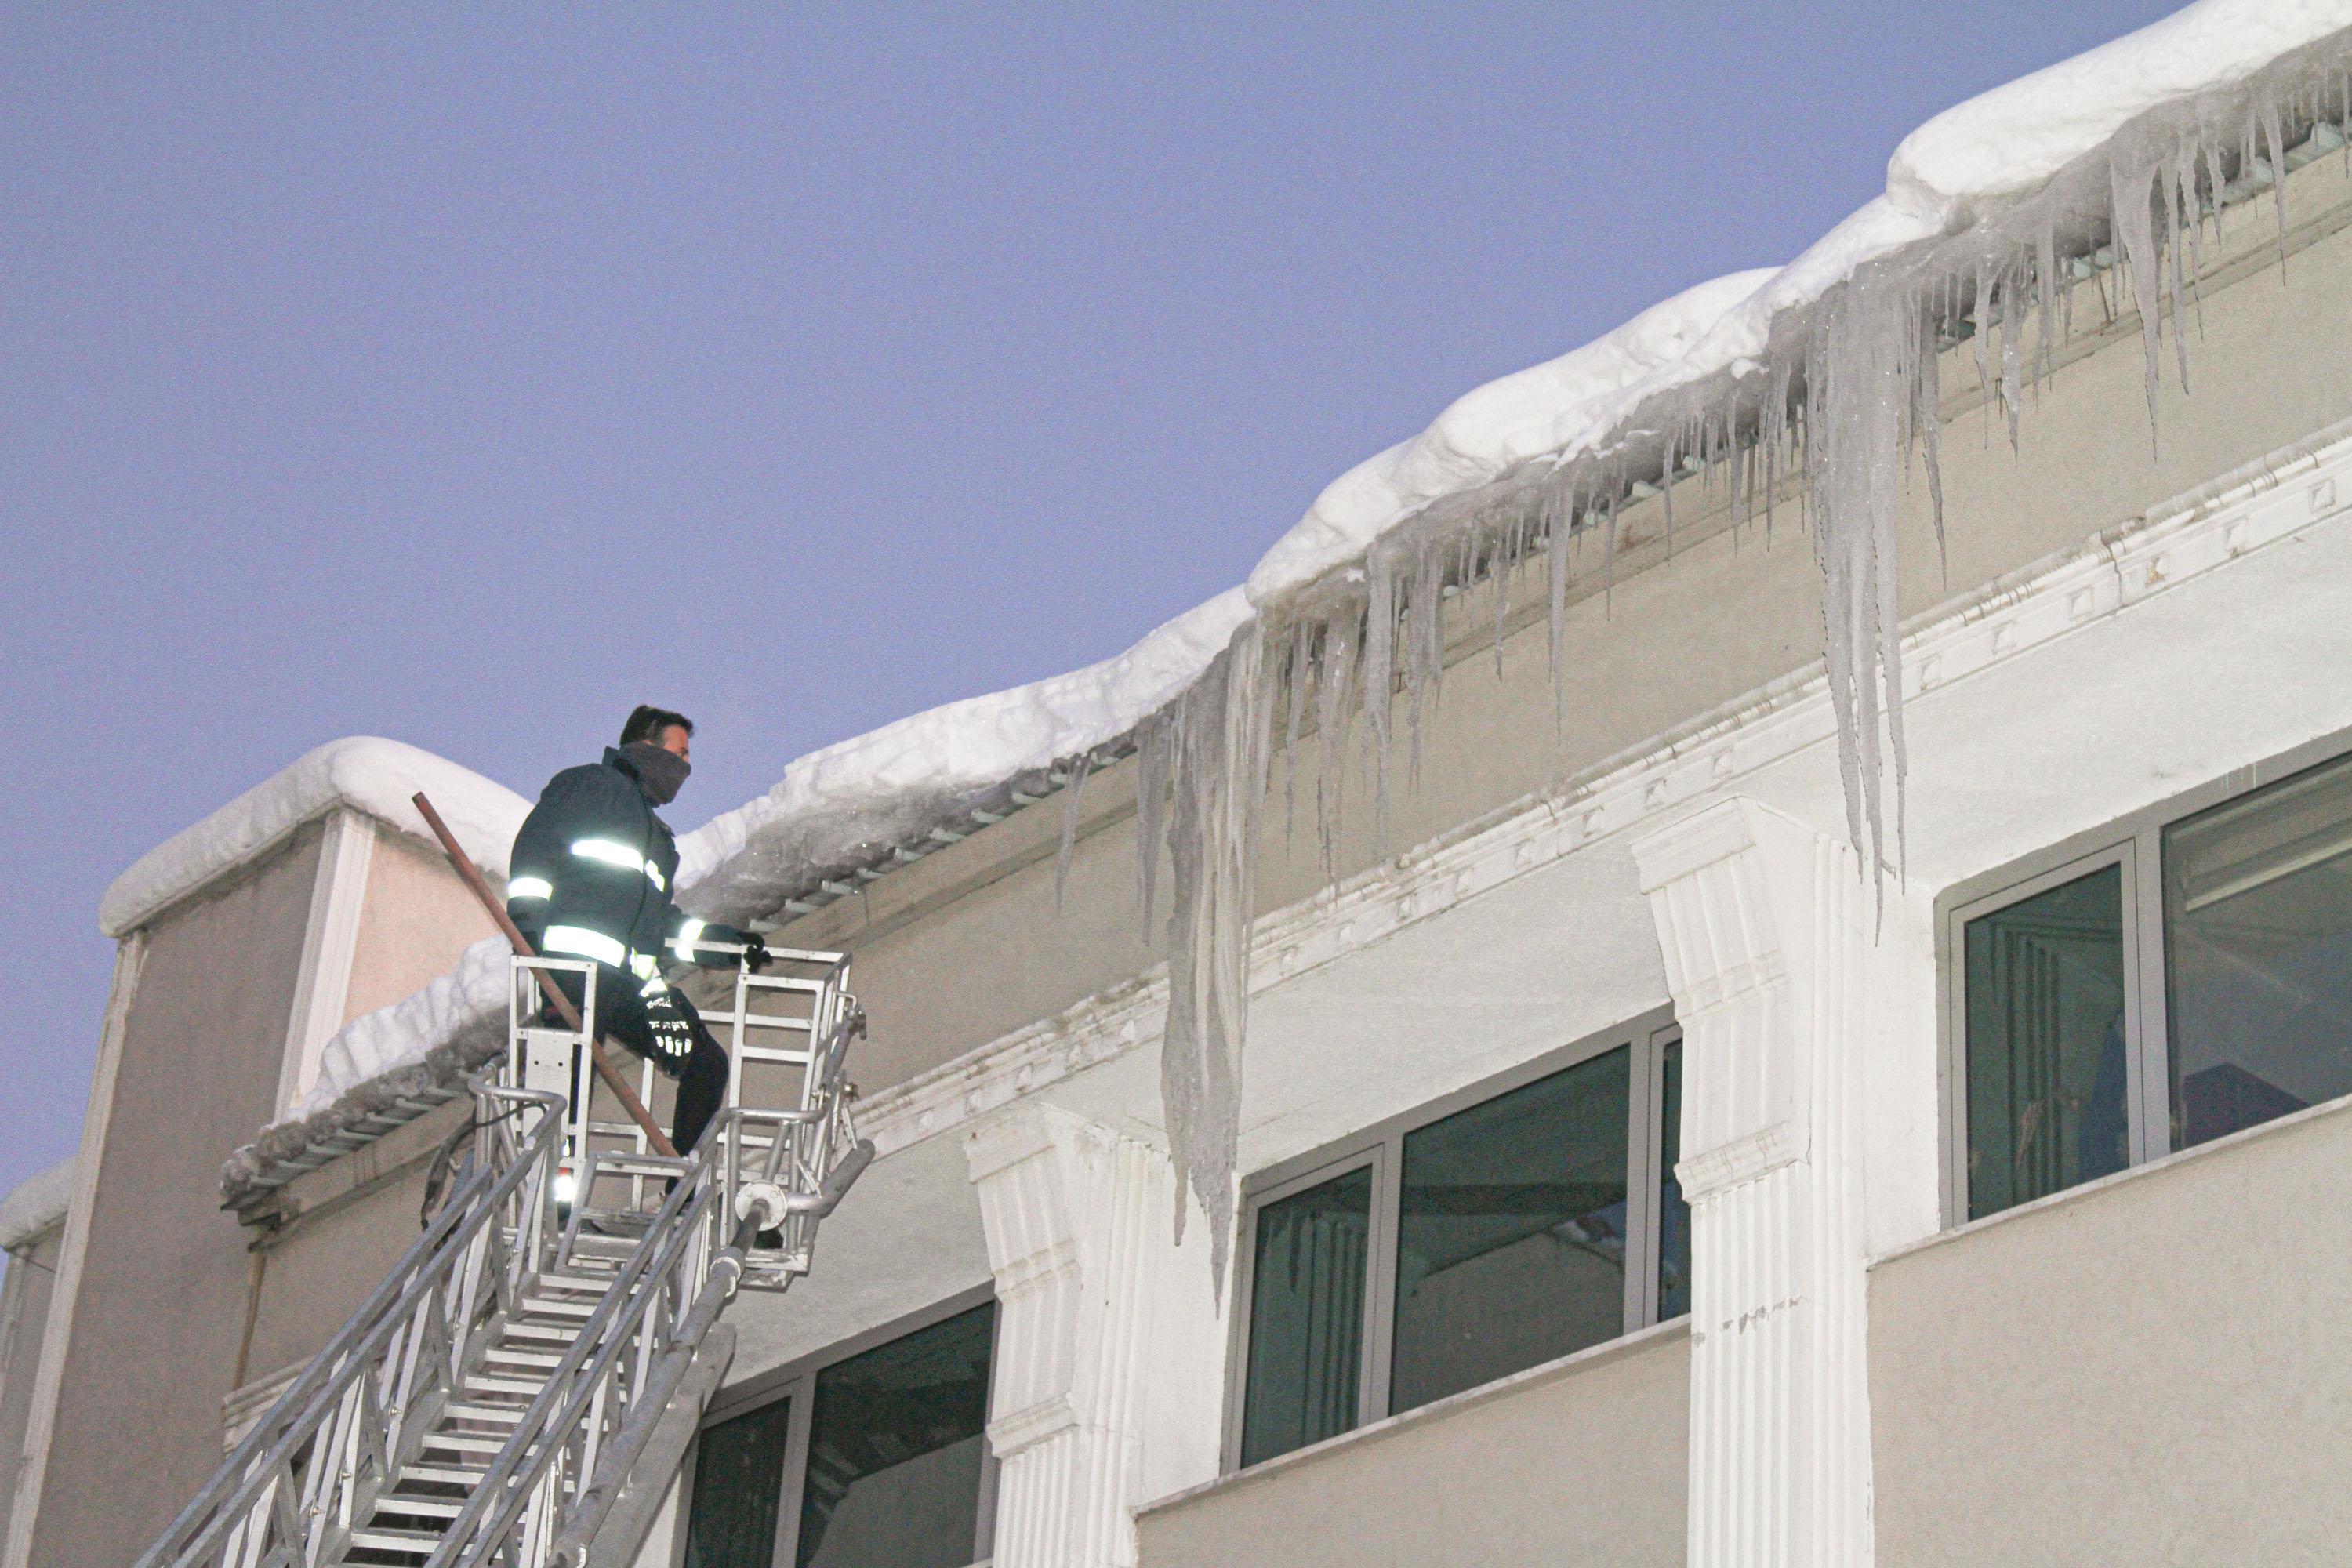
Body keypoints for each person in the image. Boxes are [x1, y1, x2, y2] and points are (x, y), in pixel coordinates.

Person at [505, 704, 767, 1154]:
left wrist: (729, 947)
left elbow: (661, 924)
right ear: (646, 746)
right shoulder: (589, 785)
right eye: (679, 753)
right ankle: (555, 1194)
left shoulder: (659, 841)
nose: (685, 767)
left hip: (634, 984)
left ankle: (682, 1192)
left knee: (705, 1064)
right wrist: (530, 931)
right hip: (574, 970)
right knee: (568, 1080)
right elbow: (536, 853)